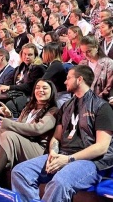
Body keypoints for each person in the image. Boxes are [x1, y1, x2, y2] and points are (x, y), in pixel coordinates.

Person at [11, 65, 113, 202]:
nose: (65, 82)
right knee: (20, 172)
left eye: (68, 78)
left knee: (59, 182)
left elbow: (101, 147)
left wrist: (69, 159)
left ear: (80, 79)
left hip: (91, 161)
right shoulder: (66, 106)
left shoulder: (102, 107)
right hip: (63, 154)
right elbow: (56, 137)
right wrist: (53, 153)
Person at [0, 79, 58, 186]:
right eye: (37, 87)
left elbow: (37, 129)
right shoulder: (29, 108)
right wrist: (9, 117)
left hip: (37, 149)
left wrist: (9, 123)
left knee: (8, 135)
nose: (40, 90)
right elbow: (18, 125)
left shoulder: (53, 110)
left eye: (45, 88)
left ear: (52, 91)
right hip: (22, 142)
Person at [79, 36, 113, 101]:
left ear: (96, 47)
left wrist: (94, 100)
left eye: (88, 51)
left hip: (101, 101)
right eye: (83, 52)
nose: (86, 55)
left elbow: (109, 87)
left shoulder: (109, 63)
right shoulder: (82, 64)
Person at [42, 43, 70, 107]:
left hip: (61, 98)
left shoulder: (56, 65)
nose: (42, 55)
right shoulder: (53, 64)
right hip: (58, 96)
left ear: (50, 53)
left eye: (44, 52)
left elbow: (43, 81)